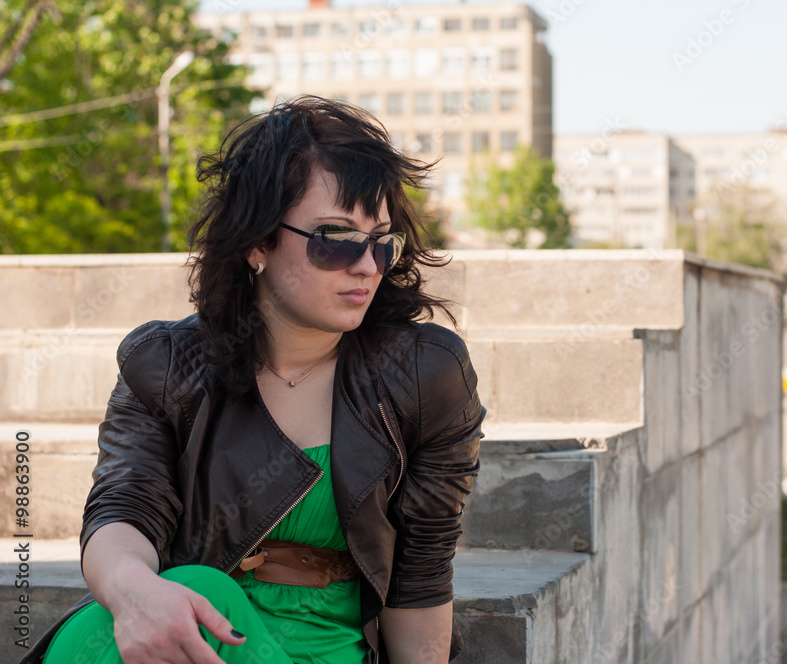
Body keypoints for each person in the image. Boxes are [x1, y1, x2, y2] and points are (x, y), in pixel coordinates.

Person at [21, 96, 486, 664]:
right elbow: (124, 507)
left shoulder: (422, 375)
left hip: (327, 646)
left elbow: (421, 572)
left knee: (199, 590)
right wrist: (136, 593)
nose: (365, 264)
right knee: (198, 592)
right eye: (335, 237)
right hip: (176, 631)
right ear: (257, 243)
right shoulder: (167, 365)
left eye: (381, 241)